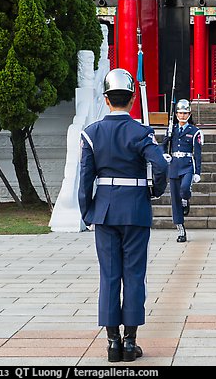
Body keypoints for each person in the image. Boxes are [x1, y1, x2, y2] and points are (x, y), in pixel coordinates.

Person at [78, 68, 168, 363]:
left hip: (104, 210)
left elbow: (85, 180)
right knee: (134, 276)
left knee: (109, 276)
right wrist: (153, 192)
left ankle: (112, 344)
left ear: (106, 100)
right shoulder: (142, 132)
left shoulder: (91, 134)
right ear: (132, 100)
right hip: (135, 210)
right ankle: (130, 343)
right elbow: (161, 166)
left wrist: (88, 212)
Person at [160, 99, 203, 243]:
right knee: (175, 200)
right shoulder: (172, 128)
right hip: (174, 165)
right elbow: (163, 145)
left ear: (189, 114)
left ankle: (186, 199)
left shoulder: (195, 131)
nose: (182, 116)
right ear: (176, 114)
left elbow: (197, 153)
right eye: (180, 113)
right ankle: (181, 229)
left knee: (184, 189)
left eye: (185, 113)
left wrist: (198, 172)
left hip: (187, 165)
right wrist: (164, 153)